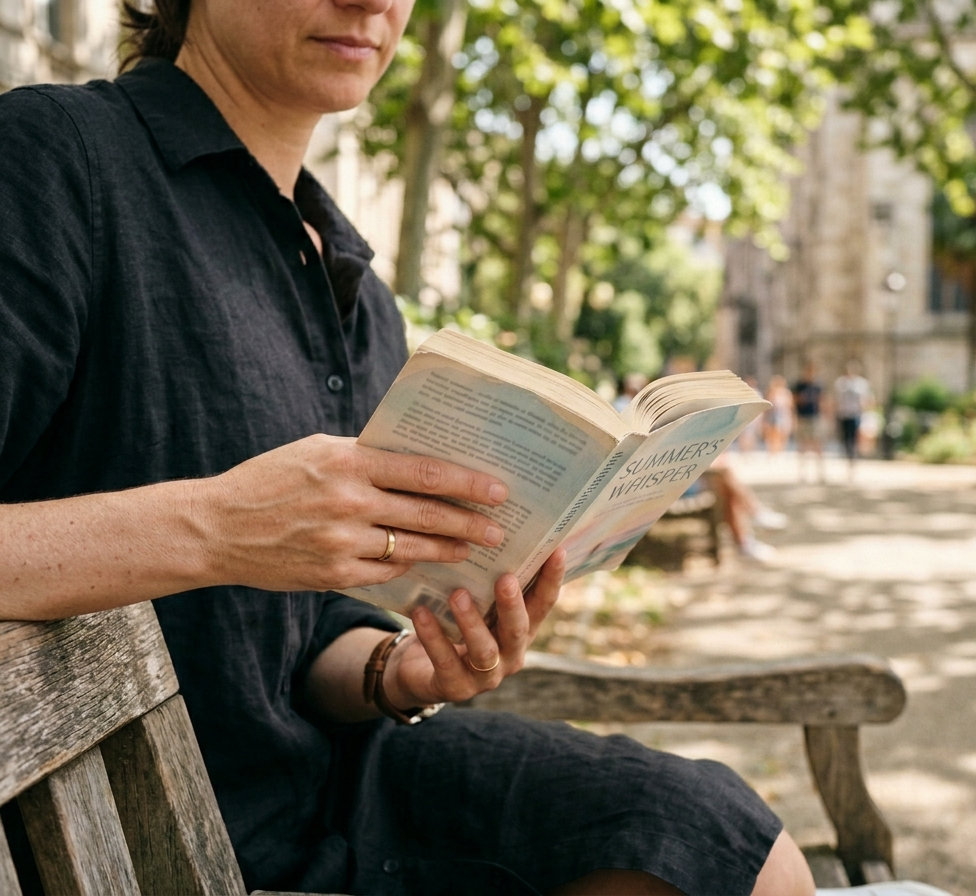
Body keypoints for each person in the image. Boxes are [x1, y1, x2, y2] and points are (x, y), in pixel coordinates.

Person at [0, 2, 814, 894]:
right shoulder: (51, 160)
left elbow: (311, 639)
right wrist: (217, 527)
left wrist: (398, 669)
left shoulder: (354, 287)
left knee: (721, 842)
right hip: (155, 846)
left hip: (341, 786)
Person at [833, 361, 873, 475]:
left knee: (855, 438)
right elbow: (836, 399)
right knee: (846, 438)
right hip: (843, 415)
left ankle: (853, 458)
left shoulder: (862, 384)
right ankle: (849, 456)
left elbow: (868, 399)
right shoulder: (841, 383)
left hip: (856, 414)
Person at [791, 361, 825, 483]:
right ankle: (802, 473)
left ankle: (820, 472)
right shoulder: (799, 386)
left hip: (815, 417)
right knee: (803, 445)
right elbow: (794, 401)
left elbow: (822, 401)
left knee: (817, 445)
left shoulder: (818, 386)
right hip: (803, 417)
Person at [763, 375, 795, 455]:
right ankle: (773, 450)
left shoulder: (786, 393)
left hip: (783, 416)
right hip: (773, 416)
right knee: (773, 434)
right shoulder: (771, 392)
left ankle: (780, 450)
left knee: (783, 434)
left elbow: (790, 406)